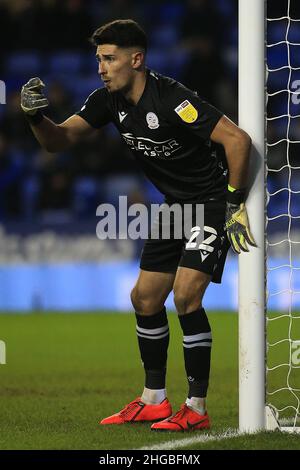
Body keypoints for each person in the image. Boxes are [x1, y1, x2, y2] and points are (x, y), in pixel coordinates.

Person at [21, 19, 256, 432]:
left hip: (209, 203)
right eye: (98, 59)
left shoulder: (172, 99)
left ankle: (197, 409)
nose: (101, 68)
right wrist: (36, 117)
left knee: (186, 297)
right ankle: (153, 401)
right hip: (172, 208)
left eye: (109, 59)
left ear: (137, 59)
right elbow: (58, 141)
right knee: (145, 299)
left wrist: (234, 205)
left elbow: (237, 140)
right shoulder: (107, 101)